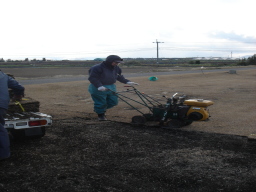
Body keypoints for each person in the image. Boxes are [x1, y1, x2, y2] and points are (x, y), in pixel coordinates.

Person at [88, 55, 138, 121]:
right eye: (116, 62)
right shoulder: (97, 68)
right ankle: (101, 115)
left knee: (114, 101)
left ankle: (100, 110)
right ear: (109, 61)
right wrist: (99, 86)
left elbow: (119, 77)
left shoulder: (116, 68)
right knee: (101, 102)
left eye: (118, 63)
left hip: (111, 86)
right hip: (98, 87)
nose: (117, 64)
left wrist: (127, 82)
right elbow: (93, 78)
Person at [0, 70, 25, 160]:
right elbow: (18, 87)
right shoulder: (4, 76)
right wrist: (18, 96)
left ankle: (3, 154)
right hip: (2, 105)